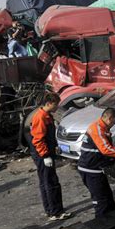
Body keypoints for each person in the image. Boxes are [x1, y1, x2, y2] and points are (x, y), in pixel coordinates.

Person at [30, 92, 72, 221]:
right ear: (48, 103)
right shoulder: (41, 117)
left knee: (45, 182)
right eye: (55, 104)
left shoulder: (46, 115)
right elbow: (38, 140)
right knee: (51, 182)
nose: (57, 107)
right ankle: (56, 212)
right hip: (42, 154)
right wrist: (45, 155)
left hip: (44, 152)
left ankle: (50, 210)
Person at [78, 107, 115, 218]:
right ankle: (103, 227)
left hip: (95, 169)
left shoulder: (102, 128)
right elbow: (105, 149)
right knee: (101, 201)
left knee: (108, 199)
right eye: (114, 121)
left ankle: (114, 224)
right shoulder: (97, 129)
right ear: (109, 118)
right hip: (91, 170)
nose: (114, 123)